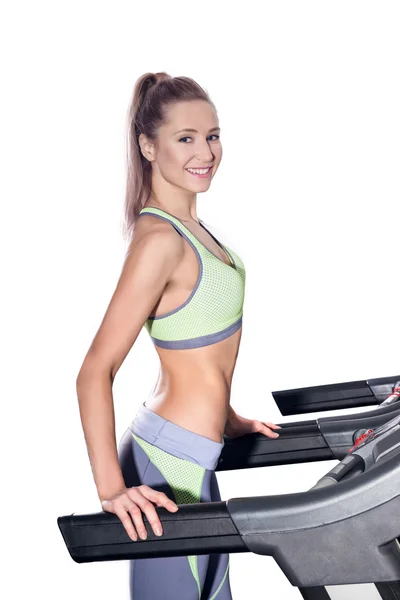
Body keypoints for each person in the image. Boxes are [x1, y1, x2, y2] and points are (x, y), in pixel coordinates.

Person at [76, 71, 281, 600]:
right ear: (149, 145)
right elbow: (94, 372)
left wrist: (226, 416)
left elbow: (201, 347)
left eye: (212, 136)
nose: (205, 152)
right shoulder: (159, 241)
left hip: (197, 456)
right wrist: (111, 491)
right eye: (185, 138)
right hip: (166, 466)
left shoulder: (194, 228)